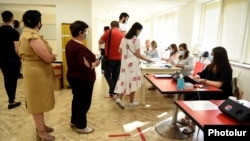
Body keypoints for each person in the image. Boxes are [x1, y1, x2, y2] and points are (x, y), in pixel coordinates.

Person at [19, 10, 56, 140]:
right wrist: (51, 57)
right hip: (36, 73)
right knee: (37, 102)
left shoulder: (26, 33)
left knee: (38, 100)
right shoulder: (32, 36)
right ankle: (41, 133)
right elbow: (46, 57)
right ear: (38, 22)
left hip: (33, 70)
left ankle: (41, 126)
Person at [179, 46, 233, 134]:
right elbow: (202, 74)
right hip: (208, 89)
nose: (210, 56)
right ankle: (187, 118)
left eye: (212, 55)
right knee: (188, 94)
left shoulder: (226, 69)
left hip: (219, 94)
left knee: (195, 99)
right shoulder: (211, 65)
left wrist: (205, 81)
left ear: (218, 56)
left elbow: (219, 84)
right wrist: (198, 76)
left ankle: (192, 125)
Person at [66, 20, 100, 134]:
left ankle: (74, 121)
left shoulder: (69, 43)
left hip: (73, 77)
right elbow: (86, 66)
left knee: (77, 100)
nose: (86, 33)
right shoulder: (80, 48)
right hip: (83, 79)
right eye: (85, 31)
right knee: (84, 102)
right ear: (80, 32)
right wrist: (96, 63)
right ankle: (81, 126)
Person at [114, 22, 153, 109]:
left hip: (124, 63)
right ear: (137, 30)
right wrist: (148, 60)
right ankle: (131, 102)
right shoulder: (136, 40)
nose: (140, 32)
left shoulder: (124, 38)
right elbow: (138, 54)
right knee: (133, 81)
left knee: (125, 80)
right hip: (133, 64)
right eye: (140, 31)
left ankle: (120, 98)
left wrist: (126, 54)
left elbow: (119, 51)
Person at [0, 10, 21, 109]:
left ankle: (11, 99)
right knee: (13, 80)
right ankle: (11, 101)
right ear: (12, 19)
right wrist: (21, 58)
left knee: (6, 79)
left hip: (2, 60)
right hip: (13, 60)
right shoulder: (14, 32)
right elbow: (17, 49)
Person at [98, 21, 124, 98]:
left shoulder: (108, 32)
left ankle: (113, 90)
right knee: (115, 76)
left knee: (107, 74)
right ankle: (113, 93)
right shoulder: (122, 34)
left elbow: (100, 41)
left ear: (111, 26)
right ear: (118, 26)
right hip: (119, 58)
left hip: (110, 58)